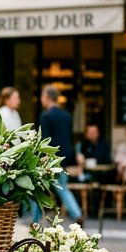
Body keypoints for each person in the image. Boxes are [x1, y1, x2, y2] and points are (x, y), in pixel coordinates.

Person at [32, 85, 83, 226]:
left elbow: (45, 139)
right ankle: (77, 214)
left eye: (42, 96)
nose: (41, 99)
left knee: (39, 189)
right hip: (64, 158)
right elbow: (68, 138)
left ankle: (34, 220)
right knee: (63, 188)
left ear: (48, 97)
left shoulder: (46, 115)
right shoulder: (67, 115)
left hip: (50, 158)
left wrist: (42, 157)